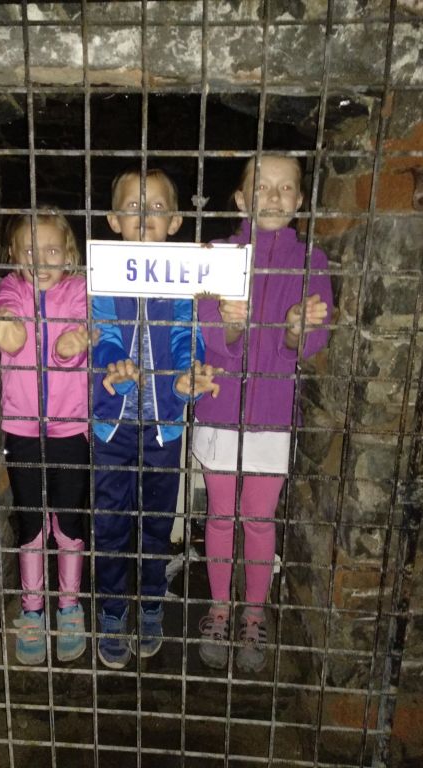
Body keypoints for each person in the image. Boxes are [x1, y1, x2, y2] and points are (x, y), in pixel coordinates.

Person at [193, 155, 333, 672]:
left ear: (300, 200)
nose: (273, 196)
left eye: (285, 187)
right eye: (262, 186)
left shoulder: (311, 260)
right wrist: (230, 323)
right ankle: (219, 607)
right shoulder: (218, 255)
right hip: (220, 408)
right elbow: (207, 330)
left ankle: (254, 612)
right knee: (220, 515)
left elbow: (310, 339)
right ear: (240, 198)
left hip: (273, 414)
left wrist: (295, 328)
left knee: (258, 518)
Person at [92, 167, 220, 669]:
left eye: (158, 207)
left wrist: (186, 373)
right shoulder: (104, 276)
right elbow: (102, 332)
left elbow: (189, 333)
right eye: (132, 206)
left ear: (176, 223)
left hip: (165, 427)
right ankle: (111, 610)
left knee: (156, 523)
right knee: (110, 522)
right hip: (113, 425)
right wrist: (114, 366)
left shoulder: (181, 280)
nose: (145, 215)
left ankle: (149, 604)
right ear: (113, 221)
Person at [0, 212, 92, 665]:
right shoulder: (11, 288)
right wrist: (6, 327)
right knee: (31, 520)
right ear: (14, 255)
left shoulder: (80, 290)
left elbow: (81, 333)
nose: (41, 260)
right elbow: (5, 315)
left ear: (68, 254)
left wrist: (70, 348)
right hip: (22, 425)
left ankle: (69, 605)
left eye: (52, 249)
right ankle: (32, 609)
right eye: (30, 250)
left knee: (68, 519)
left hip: (70, 425)